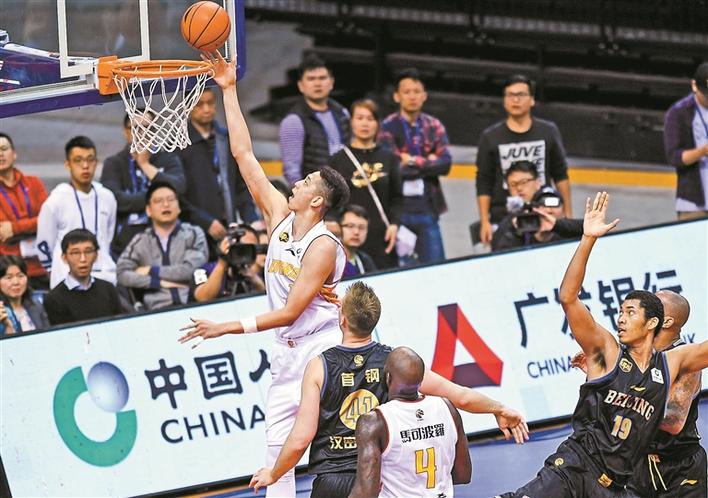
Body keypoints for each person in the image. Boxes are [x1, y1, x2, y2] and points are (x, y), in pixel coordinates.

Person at [178, 51, 351, 497]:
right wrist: (228, 90)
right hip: (286, 352)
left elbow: (291, 312)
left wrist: (225, 327)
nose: (295, 182)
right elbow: (243, 154)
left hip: (322, 348)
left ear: (318, 201)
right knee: (276, 458)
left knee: (344, 446)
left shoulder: (323, 246)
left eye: (305, 182)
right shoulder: (278, 216)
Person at [497, 192, 708, 497]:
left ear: (655, 322)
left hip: (617, 484)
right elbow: (568, 298)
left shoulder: (672, 362)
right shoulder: (607, 351)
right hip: (575, 467)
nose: (620, 318)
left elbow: (674, 417)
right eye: (621, 311)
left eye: (630, 312)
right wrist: (587, 239)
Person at [249, 282, 528, 497]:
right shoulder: (394, 362)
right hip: (377, 480)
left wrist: (275, 473)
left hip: (332, 480)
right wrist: (500, 408)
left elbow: (301, 438)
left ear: (342, 319)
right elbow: (461, 396)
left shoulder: (319, 366)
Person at [572, 290, 705, 497]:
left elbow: (673, 421)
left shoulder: (686, 361)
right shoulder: (632, 355)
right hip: (636, 463)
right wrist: (601, 379)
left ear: (665, 321)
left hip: (678, 466)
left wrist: (625, 402)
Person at [348, 346, 472, 498]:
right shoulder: (447, 408)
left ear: (387, 378)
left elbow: (366, 493)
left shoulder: (375, 421)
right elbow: (463, 475)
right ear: (421, 380)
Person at [476, 74, 572, 246]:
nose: (515, 100)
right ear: (504, 100)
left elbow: (560, 174)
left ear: (532, 99)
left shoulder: (548, 131)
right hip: (504, 217)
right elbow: (484, 181)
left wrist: (567, 214)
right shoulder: (490, 136)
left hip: (544, 214)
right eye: (510, 95)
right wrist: (484, 221)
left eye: (521, 95)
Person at [380, 68, 452, 264]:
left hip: (428, 208)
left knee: (436, 267)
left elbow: (445, 164)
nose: (412, 96)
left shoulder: (434, 125)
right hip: (397, 212)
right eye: (407, 92)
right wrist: (429, 161)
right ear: (397, 96)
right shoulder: (387, 127)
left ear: (424, 95)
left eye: (417, 91)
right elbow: (392, 168)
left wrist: (411, 160)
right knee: (397, 268)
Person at [178, 87, 258, 257]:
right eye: (200, 104)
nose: (206, 109)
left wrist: (251, 221)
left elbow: (240, 184)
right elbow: (177, 195)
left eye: (210, 103)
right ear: (187, 107)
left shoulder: (225, 138)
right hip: (193, 230)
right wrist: (205, 222)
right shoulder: (178, 144)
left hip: (229, 224)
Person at [100, 111, 186, 257]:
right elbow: (116, 200)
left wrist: (145, 165)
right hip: (127, 246)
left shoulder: (168, 158)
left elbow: (179, 189)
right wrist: (158, 199)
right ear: (126, 132)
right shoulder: (114, 163)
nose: (143, 133)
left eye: (148, 127)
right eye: (137, 128)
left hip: (169, 243)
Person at [330, 99, 403, 269]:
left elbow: (397, 198)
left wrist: (394, 224)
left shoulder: (389, 158)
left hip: (382, 235)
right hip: (349, 235)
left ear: (377, 124)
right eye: (360, 118)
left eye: (370, 119)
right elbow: (332, 201)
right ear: (351, 122)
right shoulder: (338, 160)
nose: (365, 123)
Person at [36, 136, 117, 289]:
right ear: (68, 164)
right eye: (78, 160)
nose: (85, 166)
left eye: (90, 160)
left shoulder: (107, 197)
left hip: (105, 276)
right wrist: (54, 271)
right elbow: (44, 243)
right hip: (67, 280)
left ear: (96, 162)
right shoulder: (56, 201)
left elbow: (108, 237)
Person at [116, 181, 208, 310]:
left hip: (194, 305)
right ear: (148, 210)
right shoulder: (140, 241)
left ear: (179, 207)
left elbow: (191, 270)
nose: (166, 205)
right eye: (158, 201)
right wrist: (157, 283)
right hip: (155, 311)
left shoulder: (194, 233)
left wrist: (151, 271)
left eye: (171, 200)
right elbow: (121, 274)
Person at [279, 54, 351, 187]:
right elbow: (292, 171)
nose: (317, 83)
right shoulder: (293, 121)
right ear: (301, 85)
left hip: (345, 189)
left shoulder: (342, 113)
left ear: (331, 82)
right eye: (311, 79)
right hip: (315, 193)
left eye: (322, 78)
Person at [492, 161, 582, 251]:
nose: (519, 188)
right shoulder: (509, 224)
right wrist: (516, 233)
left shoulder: (561, 222)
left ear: (538, 182)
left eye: (524, 182)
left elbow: (587, 230)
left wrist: (557, 225)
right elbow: (498, 254)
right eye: (513, 184)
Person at [43, 229, 123, 326]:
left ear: (96, 256)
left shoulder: (108, 289)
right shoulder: (54, 298)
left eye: (88, 252)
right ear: (64, 257)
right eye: (75, 253)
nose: (83, 259)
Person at [0, 133, 49, 289]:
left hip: (42, 266)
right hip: (9, 272)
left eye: (4, 149)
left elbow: (47, 220)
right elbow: (3, 232)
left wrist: (14, 228)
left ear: (14, 154)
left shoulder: (34, 183)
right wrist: (33, 225)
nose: (0, 154)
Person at [663, 61, 708, 220]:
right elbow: (674, 157)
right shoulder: (678, 113)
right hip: (693, 204)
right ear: (694, 86)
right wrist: (703, 151)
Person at [191, 223, 266, 301]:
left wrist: (258, 285)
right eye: (239, 247)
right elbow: (203, 298)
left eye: (248, 248)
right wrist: (222, 262)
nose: (242, 252)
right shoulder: (205, 271)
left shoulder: (258, 276)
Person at [0, 255, 49, 336]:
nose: (16, 282)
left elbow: (48, 335)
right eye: (9, 278)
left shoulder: (36, 306)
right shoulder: (2, 311)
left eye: (20, 276)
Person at [339, 205, 377, 277]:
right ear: (339, 228)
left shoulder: (365, 260)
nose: (356, 232)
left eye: (362, 228)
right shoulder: (331, 260)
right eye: (350, 226)